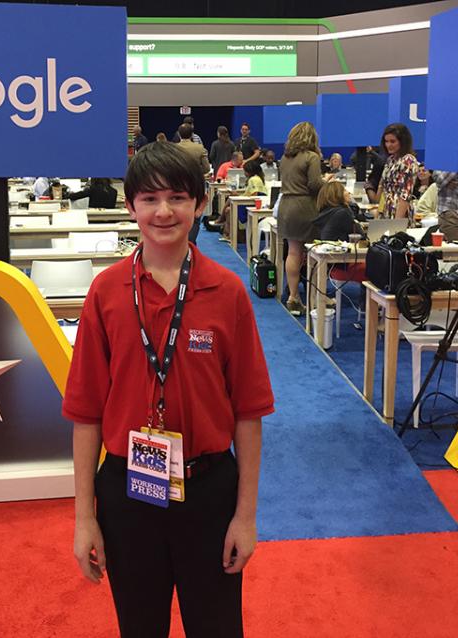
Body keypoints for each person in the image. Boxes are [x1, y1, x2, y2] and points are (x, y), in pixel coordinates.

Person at [63, 140, 274, 638]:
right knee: (139, 627)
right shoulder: (106, 292)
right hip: (128, 490)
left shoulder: (226, 291)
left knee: (217, 627)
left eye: (178, 197)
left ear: (200, 204)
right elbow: (87, 413)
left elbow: (248, 412)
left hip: (208, 490)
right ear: (130, 205)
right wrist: (82, 518)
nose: (164, 211)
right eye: (150, 198)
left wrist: (246, 517)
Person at [277, 121, 327, 316]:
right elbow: (315, 185)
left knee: (293, 252)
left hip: (286, 206)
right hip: (305, 207)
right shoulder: (312, 157)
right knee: (314, 254)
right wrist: (328, 183)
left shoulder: (285, 157)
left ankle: (293, 296)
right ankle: (316, 297)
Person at [376, 123, 418, 220]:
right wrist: (379, 212)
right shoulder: (390, 160)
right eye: (386, 141)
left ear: (402, 142)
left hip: (399, 213)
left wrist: (397, 223)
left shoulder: (408, 161)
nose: (388, 145)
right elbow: (384, 190)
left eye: (392, 141)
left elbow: (405, 195)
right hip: (386, 211)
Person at [218, 160, 266, 241]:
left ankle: (223, 224)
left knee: (229, 208)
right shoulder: (257, 178)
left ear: (249, 171)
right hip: (249, 202)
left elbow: (254, 195)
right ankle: (226, 231)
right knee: (229, 204)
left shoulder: (253, 179)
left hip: (251, 205)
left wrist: (237, 196)